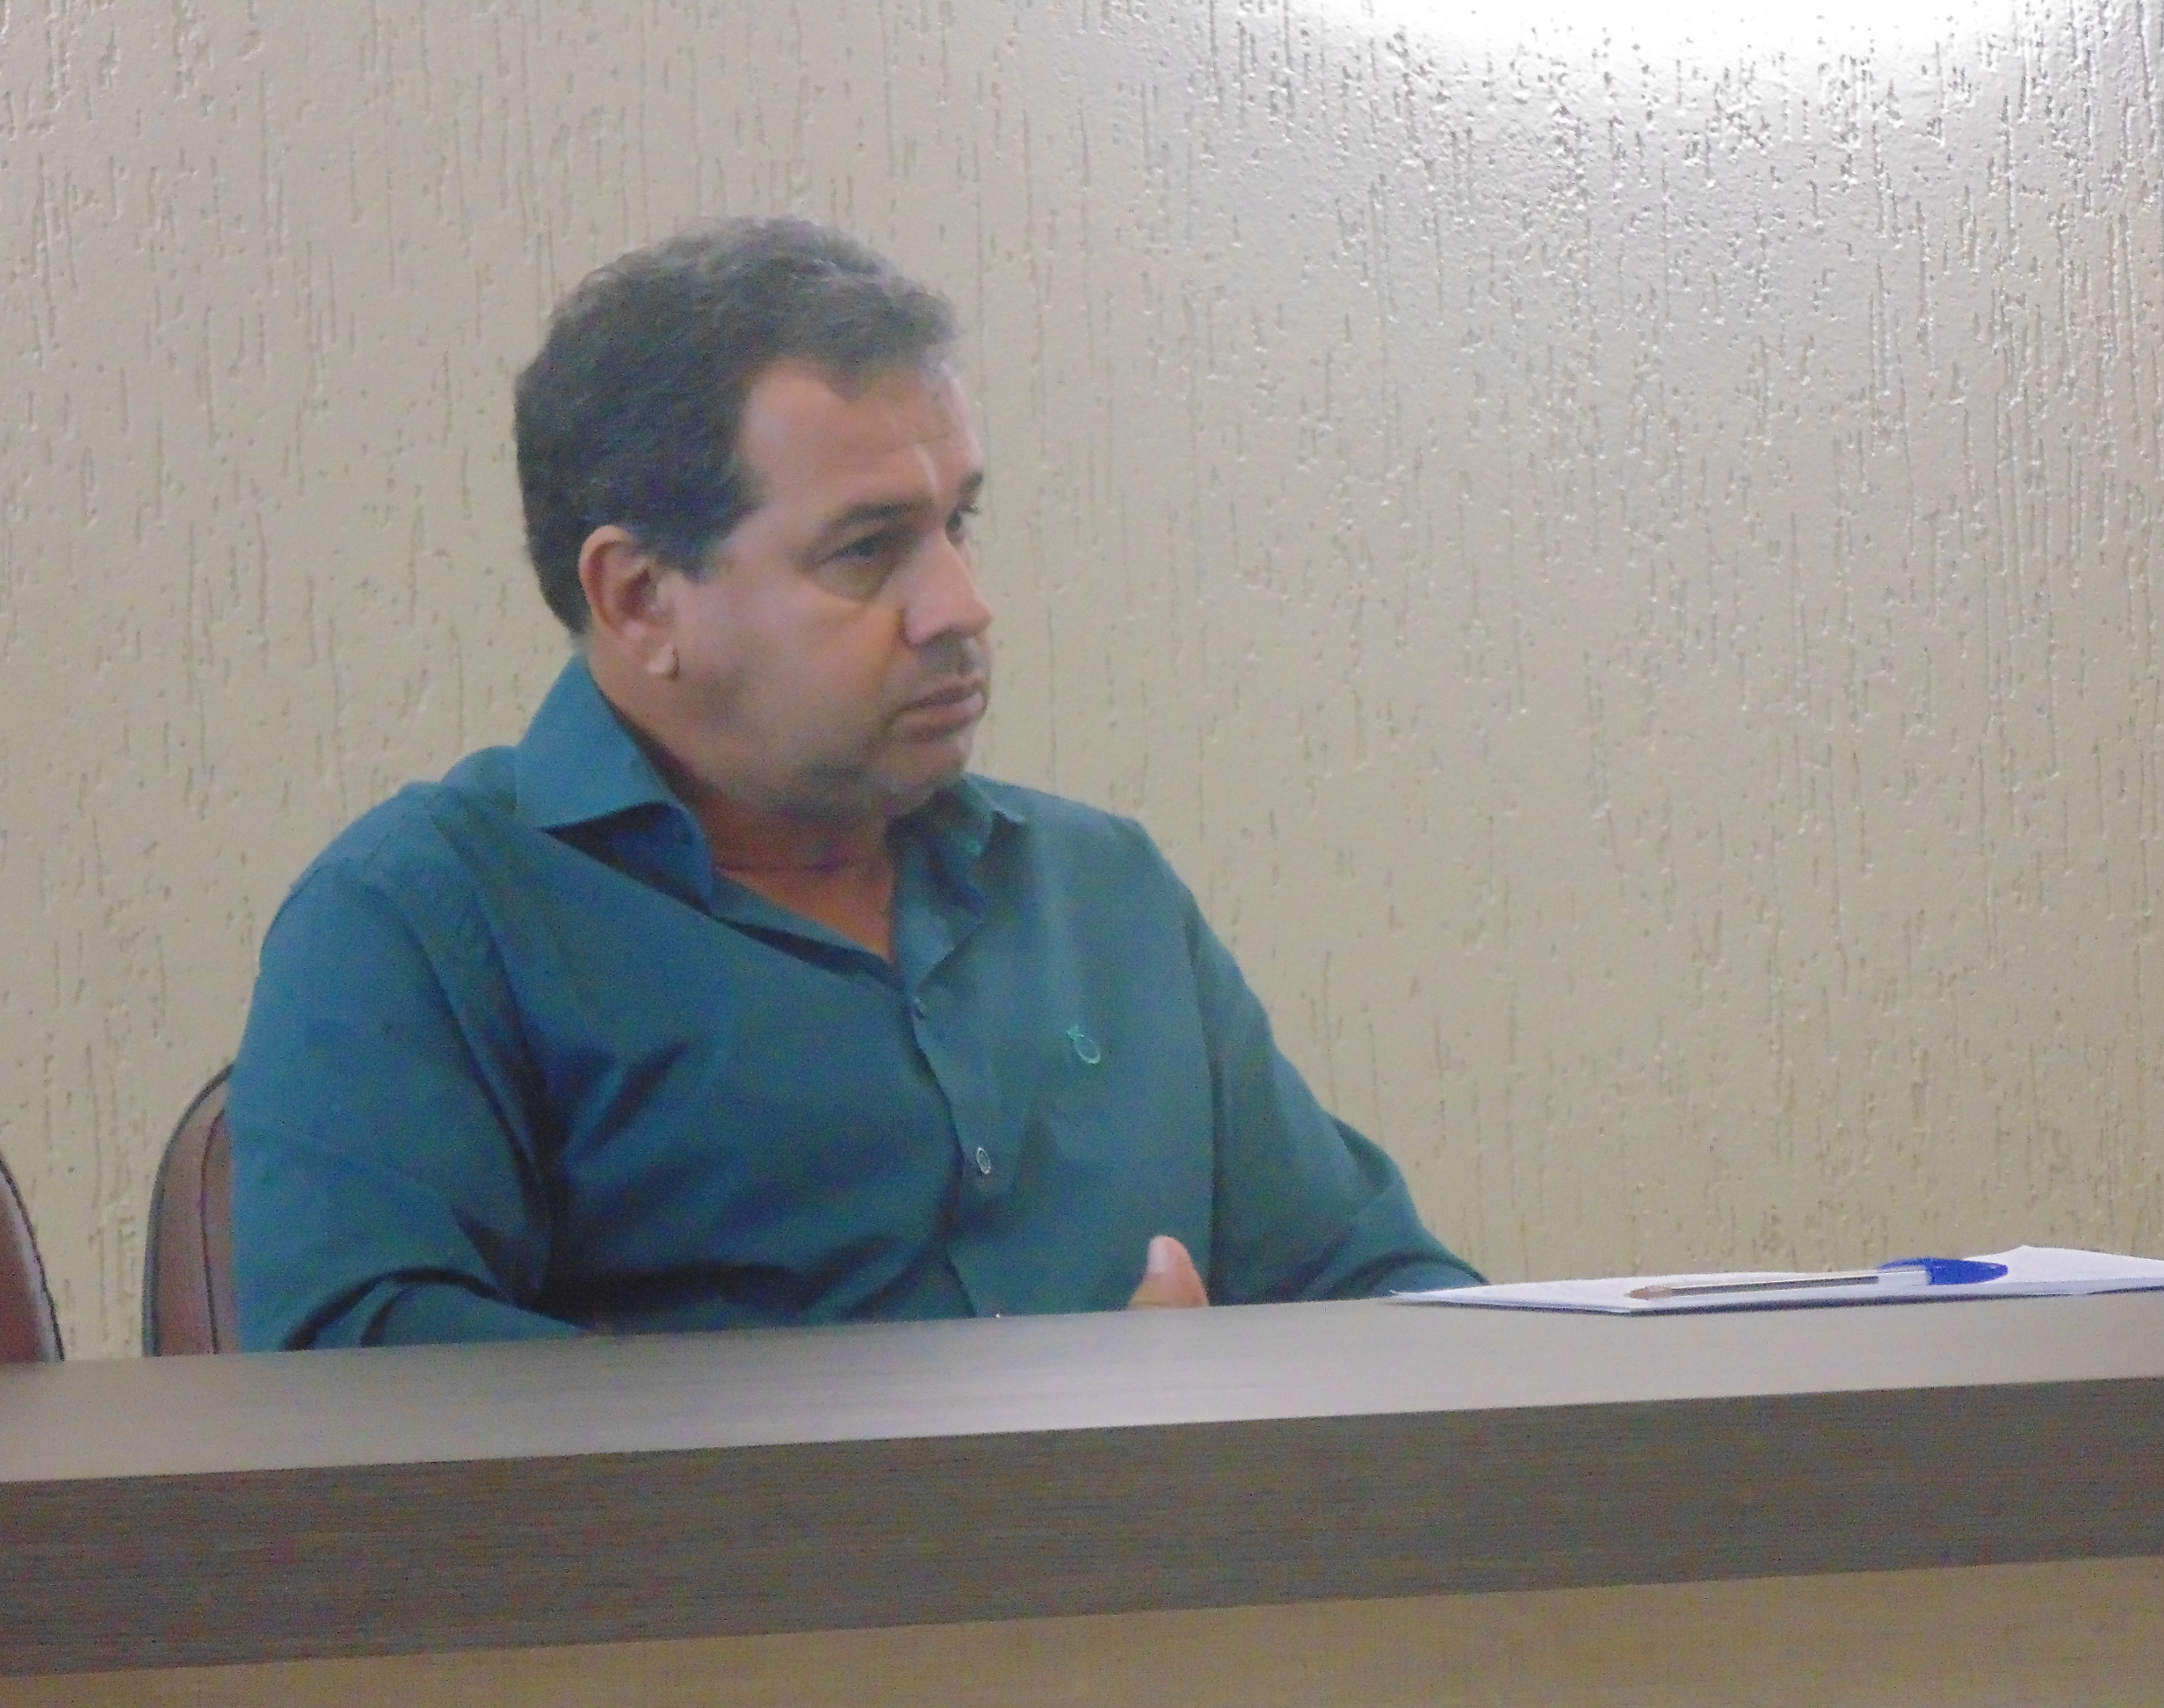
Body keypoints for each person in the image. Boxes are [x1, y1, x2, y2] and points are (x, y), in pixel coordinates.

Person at [229, 217, 1480, 1350]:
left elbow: (1370, 1280)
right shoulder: (426, 918)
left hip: (1163, 1537)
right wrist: (1001, 1455)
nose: (961, 606)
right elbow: (366, 1389)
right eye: (868, 550)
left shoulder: (1101, 891)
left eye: (959, 525)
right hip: (745, 1552)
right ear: (641, 599)